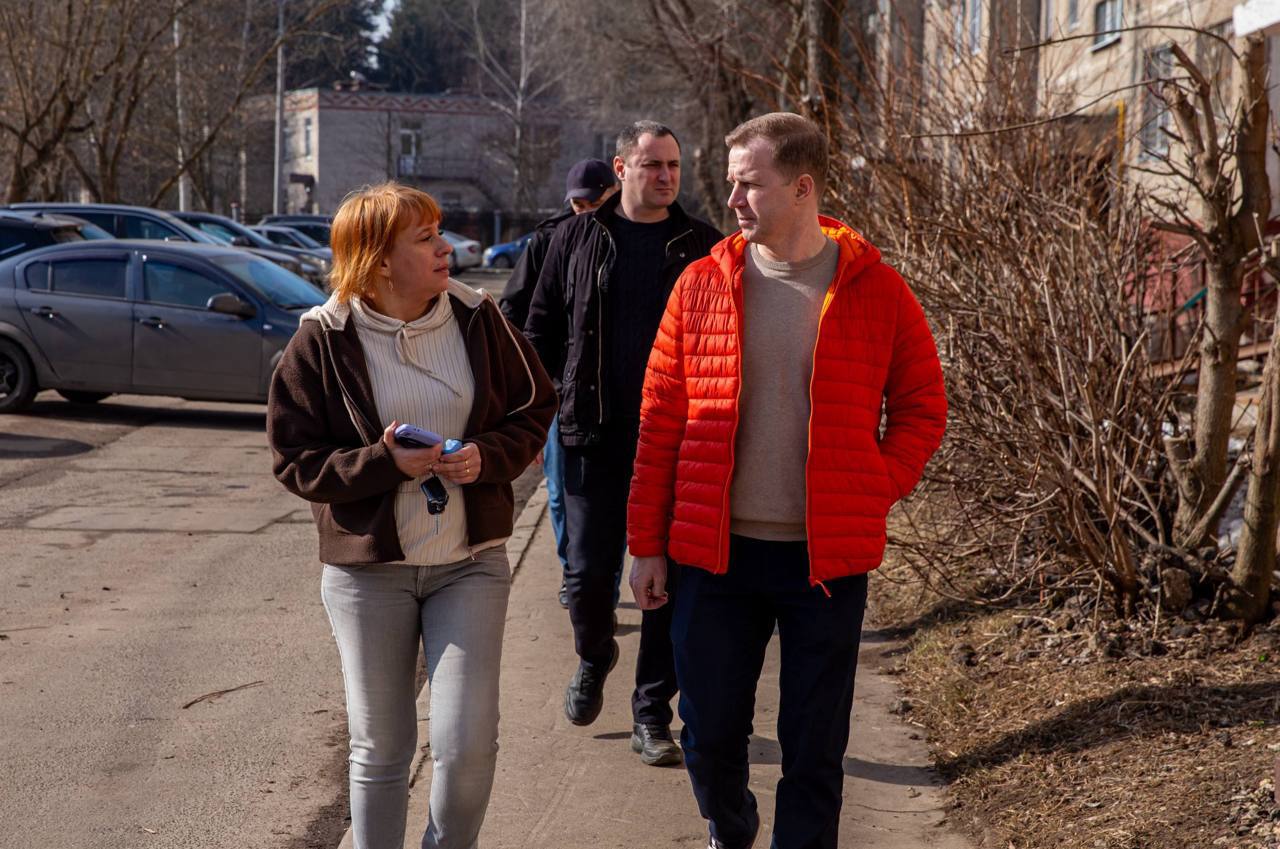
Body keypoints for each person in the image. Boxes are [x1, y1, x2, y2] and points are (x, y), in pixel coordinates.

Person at [627, 112, 947, 849]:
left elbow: (923, 407)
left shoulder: (876, 289)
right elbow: (659, 422)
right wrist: (646, 544)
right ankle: (730, 828)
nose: (732, 199)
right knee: (707, 733)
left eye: (750, 184)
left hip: (823, 561)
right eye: (731, 183)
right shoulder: (700, 284)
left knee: (813, 747)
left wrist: (873, 485)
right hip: (714, 556)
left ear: (803, 188)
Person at [267, 182, 555, 849]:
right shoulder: (322, 338)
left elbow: (535, 405)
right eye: (425, 239)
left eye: (439, 232)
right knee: (381, 746)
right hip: (368, 574)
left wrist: (486, 456)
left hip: (469, 564)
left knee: (467, 741)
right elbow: (294, 459)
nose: (445, 247)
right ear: (378, 260)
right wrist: (383, 463)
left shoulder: (478, 316)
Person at [524, 121, 722, 766]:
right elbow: (540, 329)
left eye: (674, 165)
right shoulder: (575, 237)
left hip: (676, 444)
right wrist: (549, 404)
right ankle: (594, 653)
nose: (665, 176)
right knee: (586, 579)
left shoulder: (704, 246)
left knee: (665, 585)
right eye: (652, 164)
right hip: (592, 437)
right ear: (621, 168)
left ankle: (651, 715)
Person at [500, 158, 619, 609]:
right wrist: (524, 397)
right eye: (577, 204)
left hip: (614, 391)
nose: (584, 211)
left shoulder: (629, 236)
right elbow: (516, 313)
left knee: (611, 498)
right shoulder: (549, 239)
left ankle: (601, 584)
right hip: (558, 391)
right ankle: (575, 574)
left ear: (613, 193)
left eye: (593, 203)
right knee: (558, 491)